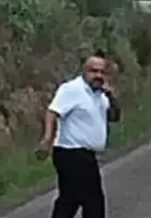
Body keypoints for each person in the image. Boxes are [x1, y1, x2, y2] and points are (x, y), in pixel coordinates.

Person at [37, 53, 121, 218]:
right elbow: (52, 112)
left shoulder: (101, 95)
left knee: (70, 199)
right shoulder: (72, 89)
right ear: (84, 71)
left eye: (102, 72)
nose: (98, 76)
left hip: (85, 154)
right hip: (71, 151)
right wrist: (47, 138)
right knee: (92, 200)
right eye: (93, 71)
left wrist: (110, 95)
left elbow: (114, 116)